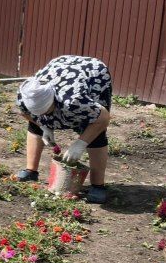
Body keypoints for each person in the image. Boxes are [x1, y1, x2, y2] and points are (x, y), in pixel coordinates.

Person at [15, 55, 112, 203]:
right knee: (36, 124)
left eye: (46, 112)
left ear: (54, 102)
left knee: (93, 131)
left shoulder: (74, 101)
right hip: (61, 66)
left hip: (93, 74)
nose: (44, 116)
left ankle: (98, 186)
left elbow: (103, 118)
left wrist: (80, 144)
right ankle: (31, 171)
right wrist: (42, 125)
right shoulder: (26, 94)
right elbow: (25, 113)